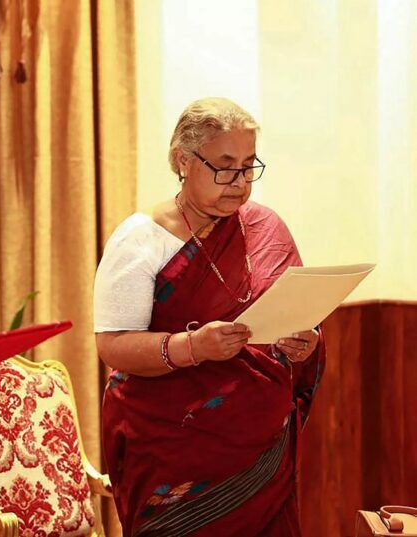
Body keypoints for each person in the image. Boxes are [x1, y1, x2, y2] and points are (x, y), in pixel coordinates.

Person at [94, 97, 325, 537]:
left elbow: (298, 312)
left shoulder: (266, 227)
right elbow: (112, 346)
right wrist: (192, 347)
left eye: (248, 167)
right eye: (224, 167)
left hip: (262, 461)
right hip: (173, 460)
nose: (239, 183)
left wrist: (305, 341)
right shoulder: (141, 239)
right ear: (183, 160)